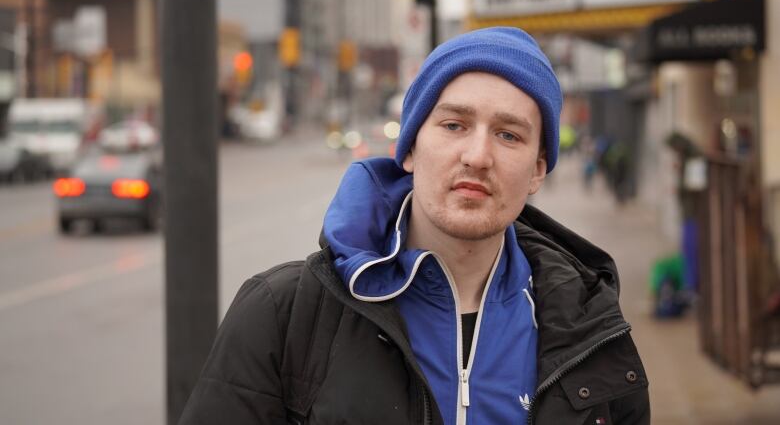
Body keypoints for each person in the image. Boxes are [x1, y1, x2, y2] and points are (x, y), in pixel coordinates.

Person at [179, 27, 649, 425]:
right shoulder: (281, 316)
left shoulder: (596, 337)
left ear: (538, 169)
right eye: (454, 125)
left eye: (508, 135)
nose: (478, 156)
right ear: (408, 149)